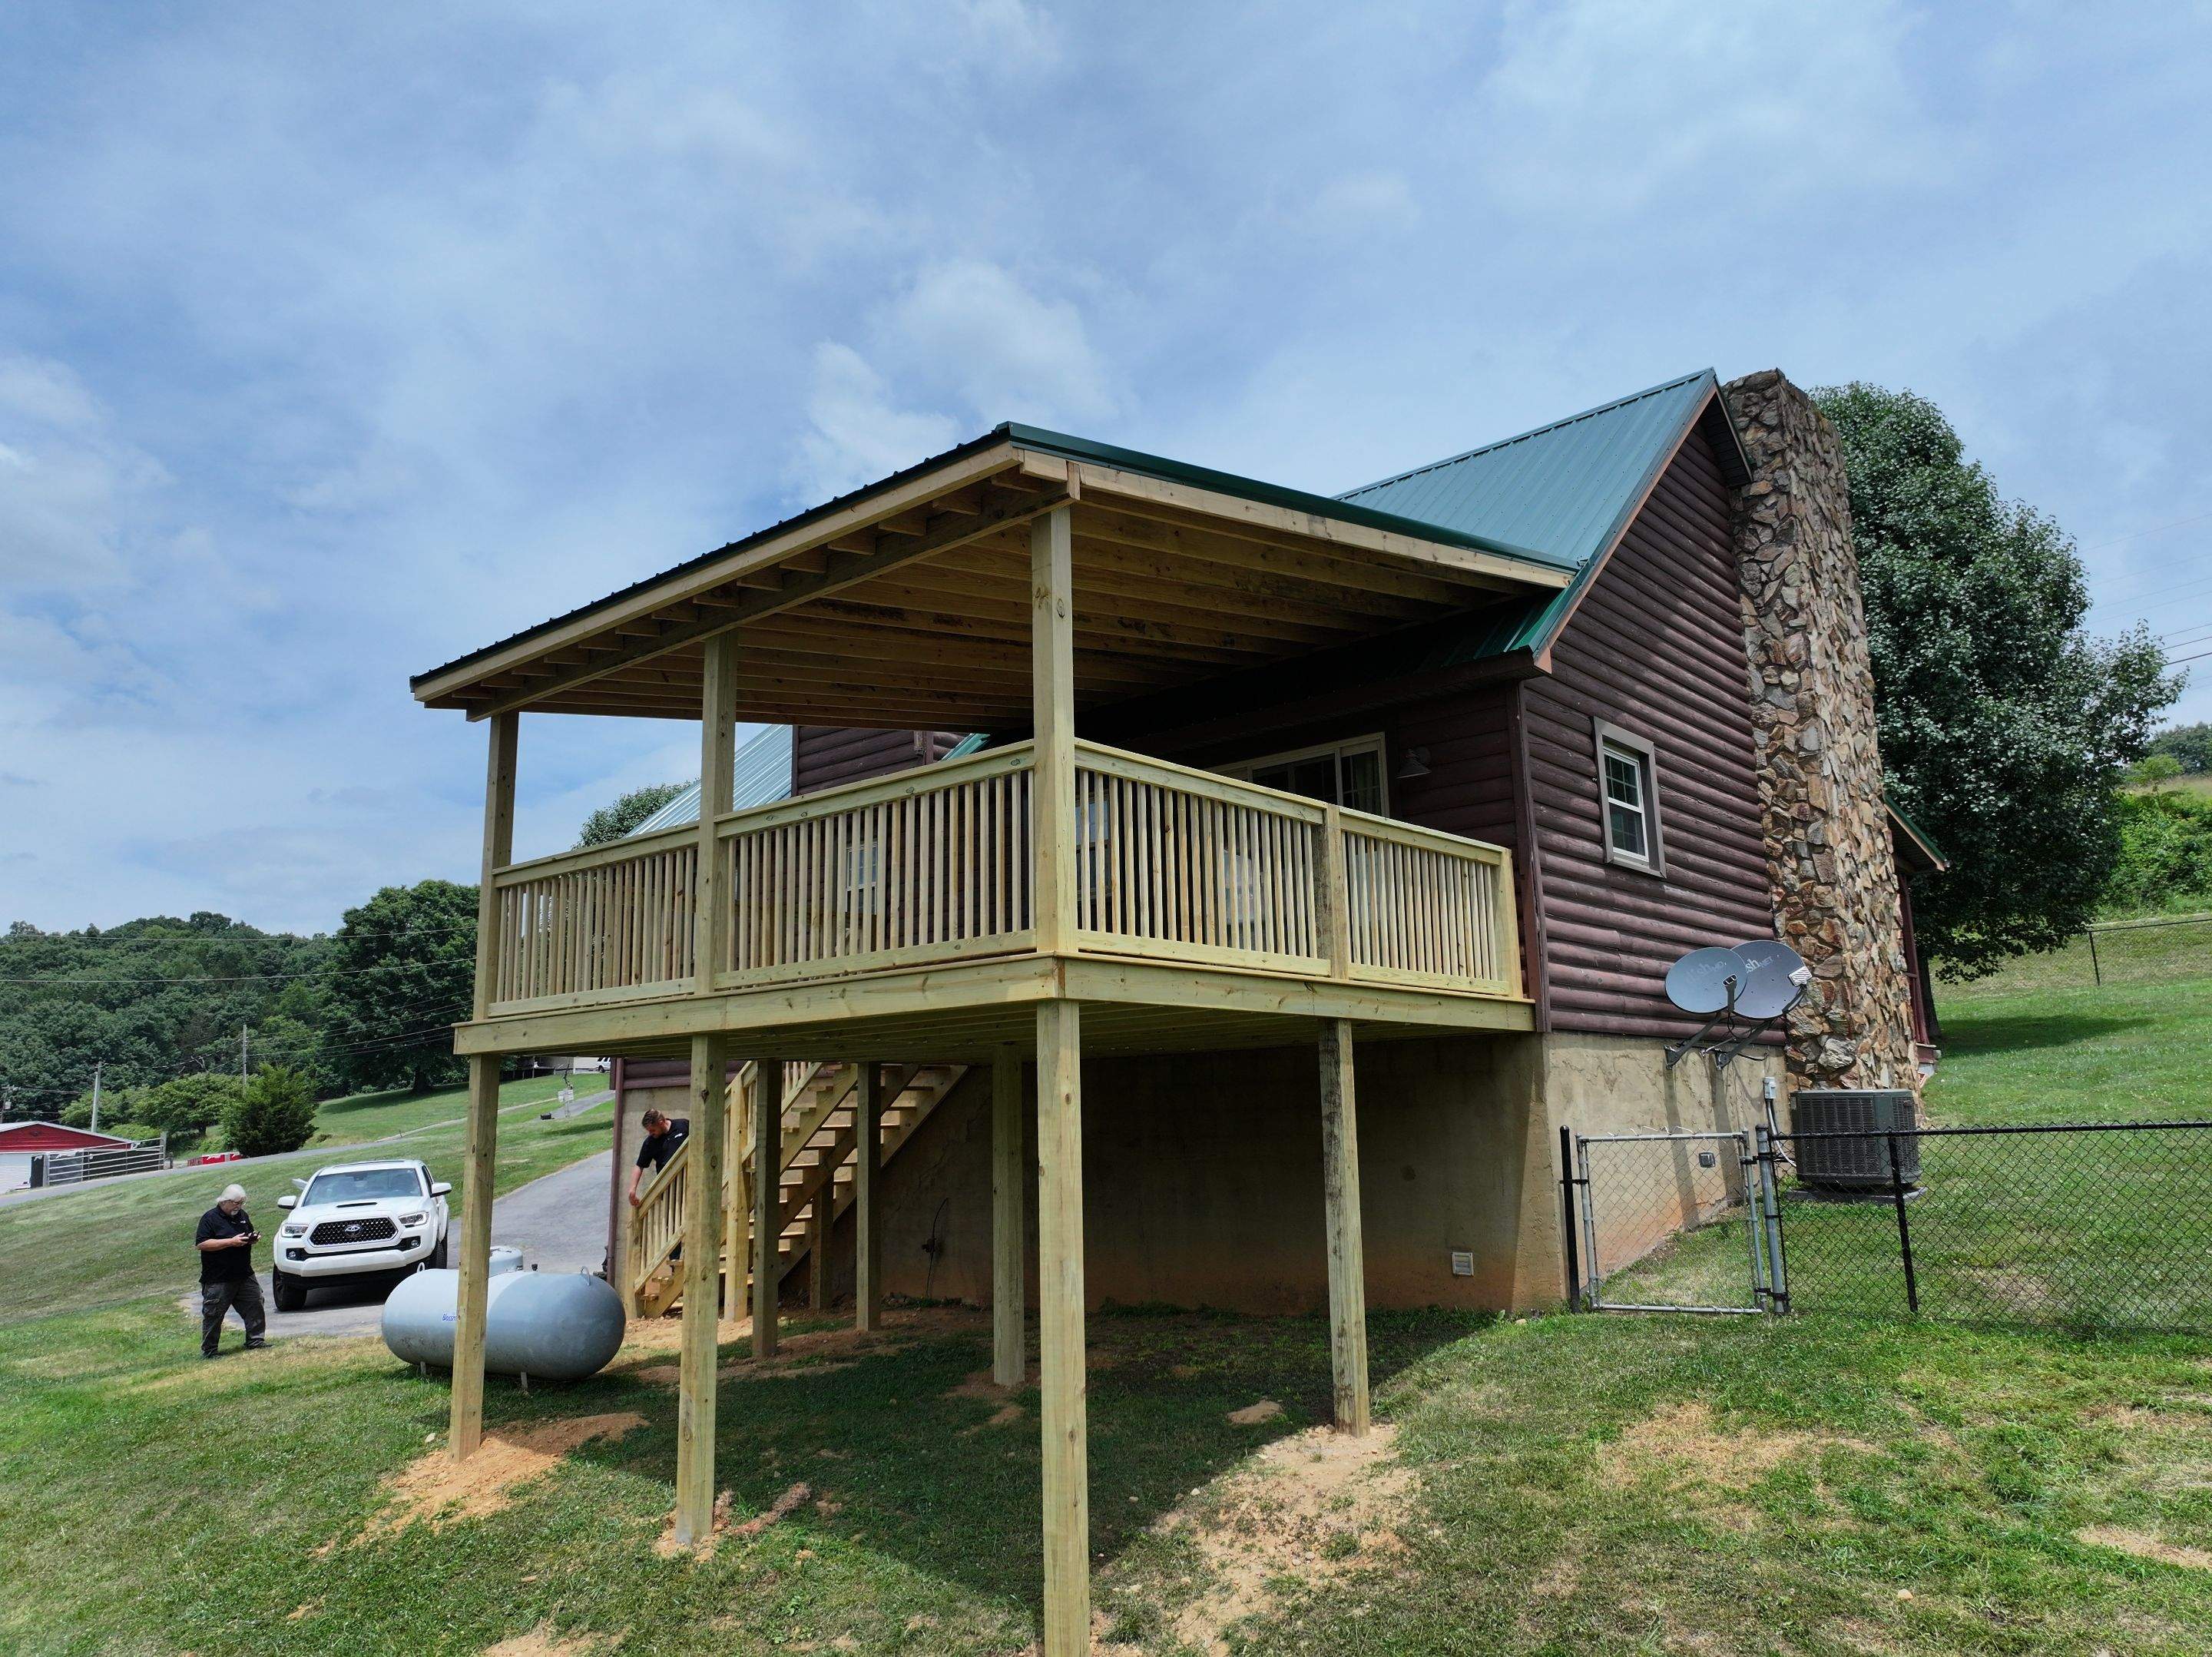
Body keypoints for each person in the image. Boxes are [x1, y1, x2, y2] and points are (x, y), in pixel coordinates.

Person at [196, 1183, 267, 1357]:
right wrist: (230, 1242)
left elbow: (246, 1233)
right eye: (236, 1203)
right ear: (224, 1201)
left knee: (255, 1304)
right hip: (218, 1278)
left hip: (244, 1274)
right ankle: (210, 1351)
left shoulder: (242, 1216)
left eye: (241, 1203)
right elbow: (202, 1244)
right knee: (214, 1315)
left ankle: (256, 1340)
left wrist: (252, 1239)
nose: (239, 1207)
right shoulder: (210, 1218)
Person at [627, 1109, 691, 1207]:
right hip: (669, 1190)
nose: (651, 1134)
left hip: (691, 1180)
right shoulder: (650, 1142)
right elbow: (639, 1166)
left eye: (652, 1130)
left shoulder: (683, 1125)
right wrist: (632, 1189)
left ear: (661, 1123)